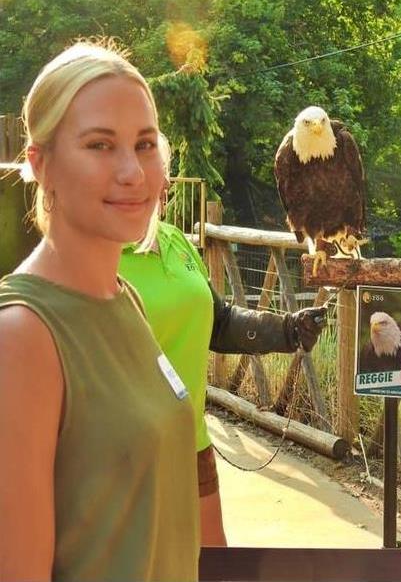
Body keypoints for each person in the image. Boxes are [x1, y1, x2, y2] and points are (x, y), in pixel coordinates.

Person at [0, 41, 200, 581]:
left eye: (144, 143)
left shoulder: (122, 297)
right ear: (41, 165)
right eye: (100, 145)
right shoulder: (22, 335)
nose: (133, 171)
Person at [119, 133, 328, 546]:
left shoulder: (175, 242)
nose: (158, 184)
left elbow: (219, 321)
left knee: (214, 567)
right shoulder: (94, 254)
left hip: (191, 444)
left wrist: (287, 330)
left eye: (161, 172)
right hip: (122, 458)